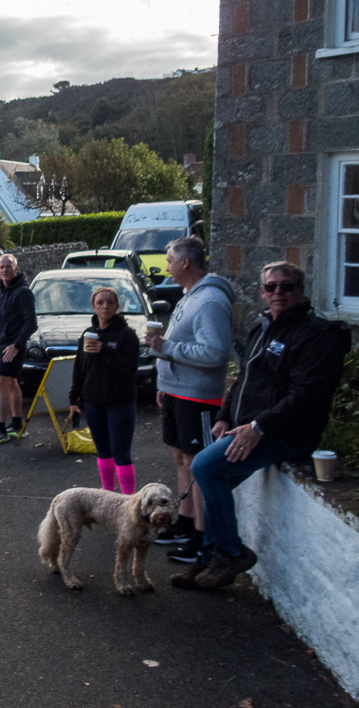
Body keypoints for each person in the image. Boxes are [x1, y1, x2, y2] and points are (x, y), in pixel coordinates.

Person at [173, 262, 347, 591]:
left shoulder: (316, 336)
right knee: (212, 481)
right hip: (249, 427)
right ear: (263, 293)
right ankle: (210, 559)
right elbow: (244, 380)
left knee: (205, 467)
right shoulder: (263, 327)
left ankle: (230, 553)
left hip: (284, 434)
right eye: (271, 287)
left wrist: (258, 427)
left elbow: (306, 397)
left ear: (301, 291)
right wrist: (225, 415)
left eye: (287, 286)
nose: (278, 292)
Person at [144, 236, 235, 563]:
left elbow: (215, 353)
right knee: (182, 459)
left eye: (169, 260)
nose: (166, 266)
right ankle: (184, 524)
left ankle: (201, 538)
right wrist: (164, 382)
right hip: (176, 392)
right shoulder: (189, 296)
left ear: (185, 262)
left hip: (197, 397)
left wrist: (165, 348)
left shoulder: (209, 300)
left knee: (197, 464)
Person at [69, 287, 141, 494]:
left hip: (121, 403)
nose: (105, 306)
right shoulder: (88, 334)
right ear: (93, 306)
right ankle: (107, 495)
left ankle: (128, 502)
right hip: (94, 402)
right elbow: (79, 368)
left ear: (117, 306)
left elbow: (130, 370)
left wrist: (105, 350)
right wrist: (73, 398)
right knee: (103, 452)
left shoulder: (127, 335)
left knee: (121, 453)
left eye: (110, 302)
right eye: (100, 303)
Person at [0, 254, 37, 446]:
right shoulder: (1, 289)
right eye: (1, 267)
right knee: (12, 383)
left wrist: (16, 345)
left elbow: (31, 323)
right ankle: (16, 424)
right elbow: (3, 314)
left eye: (8, 266)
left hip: (13, 346)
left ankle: (1, 428)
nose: (4, 270)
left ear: (16, 268)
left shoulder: (23, 292)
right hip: (2, 342)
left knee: (1, 383)